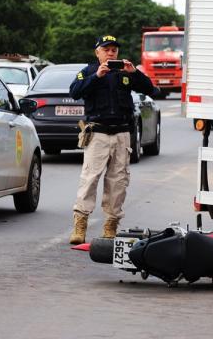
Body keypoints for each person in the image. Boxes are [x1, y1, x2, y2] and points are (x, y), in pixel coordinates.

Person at [68, 34, 158, 245]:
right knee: (89, 179)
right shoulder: (89, 71)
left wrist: (134, 73)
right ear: (97, 52)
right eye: (106, 49)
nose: (111, 53)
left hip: (121, 134)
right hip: (97, 134)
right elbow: (74, 92)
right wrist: (96, 76)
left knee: (118, 181)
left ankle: (111, 224)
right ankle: (80, 224)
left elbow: (150, 89)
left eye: (114, 50)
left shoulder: (125, 72)